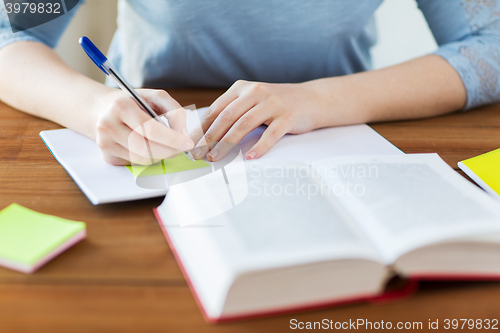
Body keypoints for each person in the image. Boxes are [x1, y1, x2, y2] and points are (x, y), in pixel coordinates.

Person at [0, 1, 499, 165]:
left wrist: (317, 100)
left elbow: (492, 42)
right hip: (158, 146)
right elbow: (9, 26)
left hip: (331, 139)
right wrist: (92, 107)